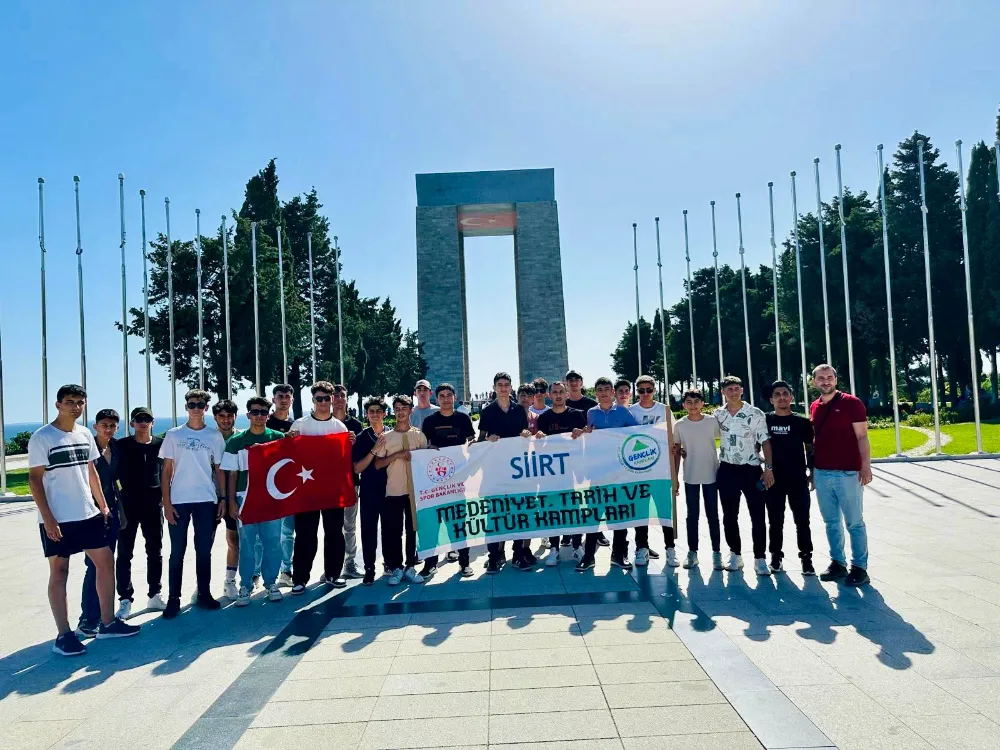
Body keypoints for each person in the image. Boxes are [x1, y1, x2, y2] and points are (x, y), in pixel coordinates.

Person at [29, 384, 140, 656]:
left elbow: (91, 471)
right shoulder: (42, 437)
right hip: (58, 518)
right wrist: (48, 518)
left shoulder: (84, 434)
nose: (76, 407)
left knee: (105, 563)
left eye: (80, 402)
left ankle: (107, 624)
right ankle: (64, 636)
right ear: (58, 405)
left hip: (88, 514)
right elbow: (34, 480)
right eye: (70, 402)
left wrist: (102, 505)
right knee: (60, 572)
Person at [160, 389, 227, 618]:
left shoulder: (214, 436)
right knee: (177, 551)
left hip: (206, 500)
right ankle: (173, 599)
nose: (196, 408)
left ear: (206, 408)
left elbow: (219, 469)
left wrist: (222, 498)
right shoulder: (173, 435)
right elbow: (166, 471)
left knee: (204, 550)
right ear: (186, 407)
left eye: (200, 405)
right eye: (192, 404)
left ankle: (204, 594)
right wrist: (166, 503)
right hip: (179, 501)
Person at [288, 381, 355, 594]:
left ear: (332, 399)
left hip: (332, 490)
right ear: (313, 400)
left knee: (334, 533)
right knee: (305, 535)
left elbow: (344, 459)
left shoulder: (339, 428)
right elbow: (290, 456)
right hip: (306, 491)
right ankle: (300, 578)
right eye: (319, 398)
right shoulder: (300, 425)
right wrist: (290, 439)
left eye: (327, 398)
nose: (324, 402)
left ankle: (333, 574)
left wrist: (350, 442)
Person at [810, 364, 871, 586]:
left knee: (854, 522)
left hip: (848, 473)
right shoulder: (815, 406)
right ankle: (838, 563)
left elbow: (862, 436)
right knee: (831, 522)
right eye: (821, 378)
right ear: (814, 382)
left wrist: (865, 466)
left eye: (829, 377)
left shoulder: (852, 403)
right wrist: (813, 472)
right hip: (823, 472)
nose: (825, 381)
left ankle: (860, 567)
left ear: (836, 379)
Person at [221, 396, 286, 606]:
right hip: (245, 497)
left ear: (268, 415)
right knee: (247, 544)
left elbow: (288, 465)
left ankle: (271, 583)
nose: (259, 416)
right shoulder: (236, 442)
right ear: (248, 415)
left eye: (263, 412)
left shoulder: (278, 438)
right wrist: (231, 501)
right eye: (255, 412)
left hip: (271, 497)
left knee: (272, 542)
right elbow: (231, 474)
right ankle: (246, 586)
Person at [577, 377, 641, 572]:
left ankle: (618, 554)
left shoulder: (623, 411)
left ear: (613, 392)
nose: (603, 393)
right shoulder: (591, 413)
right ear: (595, 393)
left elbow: (639, 433)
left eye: (607, 389)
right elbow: (585, 438)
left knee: (620, 515)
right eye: (600, 389)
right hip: (597, 472)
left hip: (619, 472)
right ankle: (588, 556)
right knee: (593, 515)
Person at [714, 375, 775, 576]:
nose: (733, 392)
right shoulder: (718, 414)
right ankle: (735, 554)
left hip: (751, 469)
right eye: (729, 389)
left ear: (742, 390)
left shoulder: (755, 413)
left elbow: (765, 442)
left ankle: (760, 558)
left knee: (757, 515)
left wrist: (768, 469)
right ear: (723, 392)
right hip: (727, 470)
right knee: (729, 515)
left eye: (736, 389)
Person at [477, 372, 534, 573]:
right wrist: (487, 440)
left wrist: (526, 435)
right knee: (495, 514)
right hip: (494, 471)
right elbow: (480, 440)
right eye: (499, 385)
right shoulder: (487, 411)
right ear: (494, 388)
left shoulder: (519, 410)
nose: (503, 388)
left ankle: (518, 555)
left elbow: (524, 437)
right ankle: (494, 556)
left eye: (506, 385)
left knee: (518, 512)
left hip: (516, 470)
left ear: (511, 388)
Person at [420, 383, 477, 577]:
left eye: (448, 395)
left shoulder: (463, 418)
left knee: (458, 521)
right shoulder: (429, 421)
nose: (445, 399)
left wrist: (474, 446)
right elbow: (424, 445)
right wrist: (427, 449)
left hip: (457, 478)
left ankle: (464, 562)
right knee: (433, 522)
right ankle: (430, 563)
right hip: (435, 480)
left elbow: (472, 440)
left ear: (454, 397)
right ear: (436, 399)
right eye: (442, 396)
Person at [77, 409, 124, 637]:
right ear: (95, 426)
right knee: (94, 565)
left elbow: (115, 482)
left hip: (111, 511)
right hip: (92, 512)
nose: (108, 429)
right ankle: (88, 619)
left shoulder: (116, 447)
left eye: (112, 425)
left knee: (107, 565)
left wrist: (120, 511)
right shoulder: (87, 449)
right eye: (104, 425)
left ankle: (106, 617)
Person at [115, 407, 166, 619]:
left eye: (147, 419)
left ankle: (155, 594)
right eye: (139, 419)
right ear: (132, 423)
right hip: (128, 505)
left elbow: (168, 471)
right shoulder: (121, 445)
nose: (143, 422)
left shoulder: (160, 444)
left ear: (153, 422)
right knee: (124, 553)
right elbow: (112, 476)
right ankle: (125, 599)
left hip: (153, 505)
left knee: (155, 550)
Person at [375, 395, 428, 586]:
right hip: (394, 490)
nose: (400, 412)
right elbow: (378, 463)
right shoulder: (386, 437)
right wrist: (397, 455)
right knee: (394, 530)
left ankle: (411, 565)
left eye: (404, 408)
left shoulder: (419, 435)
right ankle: (396, 567)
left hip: (415, 491)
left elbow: (426, 459)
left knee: (412, 529)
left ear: (410, 410)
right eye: (397, 408)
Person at [534, 380, 587, 566]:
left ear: (567, 394)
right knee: (553, 510)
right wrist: (539, 439)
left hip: (573, 470)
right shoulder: (544, 418)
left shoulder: (577, 415)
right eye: (554, 392)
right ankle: (554, 548)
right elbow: (539, 448)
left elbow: (589, 439)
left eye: (561, 392)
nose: (558, 395)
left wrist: (583, 432)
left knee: (574, 509)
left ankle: (576, 546)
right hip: (552, 472)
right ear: (549, 395)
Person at [767, 381, 815, 576]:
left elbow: (810, 449)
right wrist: (765, 469)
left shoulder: (802, 422)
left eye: (785, 393)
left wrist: (812, 473)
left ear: (791, 397)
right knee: (775, 520)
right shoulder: (765, 421)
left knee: (802, 520)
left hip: (797, 478)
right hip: (774, 479)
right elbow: (756, 446)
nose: (782, 397)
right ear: (771, 399)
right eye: (777, 394)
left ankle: (806, 558)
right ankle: (775, 556)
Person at [672, 390, 723, 571]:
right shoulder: (680, 425)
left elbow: (724, 441)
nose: (693, 405)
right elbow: (676, 451)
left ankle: (716, 553)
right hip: (691, 475)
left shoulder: (712, 421)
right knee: (692, 515)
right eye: (689, 402)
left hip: (711, 475)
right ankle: (692, 552)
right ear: (684, 405)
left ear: (702, 403)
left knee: (713, 515)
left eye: (696, 401)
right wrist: (675, 478)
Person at [628, 375, 676, 567]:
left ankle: (670, 548)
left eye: (649, 390)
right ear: (637, 392)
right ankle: (642, 547)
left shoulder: (664, 410)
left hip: (661, 470)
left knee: (665, 510)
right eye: (641, 391)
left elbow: (674, 436)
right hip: (638, 470)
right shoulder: (631, 411)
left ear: (654, 390)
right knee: (641, 511)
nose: (645, 394)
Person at [564, 369, 605, 548]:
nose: (573, 382)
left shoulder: (592, 404)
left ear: (581, 383)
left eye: (577, 379)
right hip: (568, 458)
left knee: (592, 494)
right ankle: (569, 531)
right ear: (566, 383)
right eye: (570, 380)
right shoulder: (562, 403)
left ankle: (597, 531)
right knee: (570, 494)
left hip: (590, 456)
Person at [352, 398, 390, 586]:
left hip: (391, 489)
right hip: (369, 490)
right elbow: (357, 468)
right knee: (368, 531)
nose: (375, 414)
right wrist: (374, 451)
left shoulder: (392, 434)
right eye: (371, 411)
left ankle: (390, 564)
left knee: (390, 530)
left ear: (384, 414)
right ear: (367, 414)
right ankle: (369, 568)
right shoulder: (361, 438)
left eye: (378, 411)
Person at [212, 399, 245, 599]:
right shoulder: (207, 437)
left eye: (229, 416)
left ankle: (230, 581)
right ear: (215, 417)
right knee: (204, 544)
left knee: (234, 540)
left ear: (235, 417)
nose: (226, 420)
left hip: (234, 496)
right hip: (210, 497)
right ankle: (202, 585)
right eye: (221, 416)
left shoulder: (242, 437)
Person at [332, 384, 365, 580]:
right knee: (332, 528)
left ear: (347, 398)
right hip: (327, 482)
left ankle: (350, 562)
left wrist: (354, 443)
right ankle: (332, 566)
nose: (338, 399)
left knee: (349, 525)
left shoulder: (356, 425)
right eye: (335, 395)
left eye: (342, 395)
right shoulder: (323, 422)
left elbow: (360, 454)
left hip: (351, 481)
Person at [267, 384, 295, 588]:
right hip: (266, 485)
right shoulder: (264, 422)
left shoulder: (296, 426)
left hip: (289, 487)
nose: (283, 400)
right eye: (280, 396)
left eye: (287, 396)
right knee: (264, 535)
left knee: (287, 532)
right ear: (273, 399)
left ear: (292, 400)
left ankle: (286, 570)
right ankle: (259, 573)